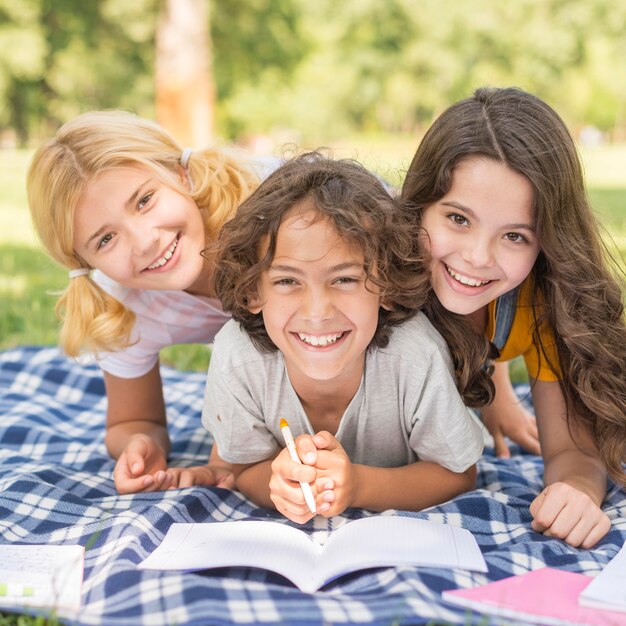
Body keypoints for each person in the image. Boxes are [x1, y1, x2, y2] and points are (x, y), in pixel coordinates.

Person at [200, 152, 488, 523]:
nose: (317, 312)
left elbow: (458, 474)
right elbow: (241, 470)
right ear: (253, 292)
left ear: (385, 284)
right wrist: (279, 485)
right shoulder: (237, 358)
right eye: (288, 281)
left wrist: (358, 486)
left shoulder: (416, 356)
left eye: (345, 279)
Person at [401, 86, 626, 548]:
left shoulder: (538, 302)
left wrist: (577, 490)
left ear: (548, 242)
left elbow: (572, 450)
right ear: (418, 204)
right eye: (458, 219)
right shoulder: (364, 270)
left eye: (516, 237)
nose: (477, 257)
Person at [27, 110, 275, 494]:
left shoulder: (269, 213)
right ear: (86, 262)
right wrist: (140, 445)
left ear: (180, 173)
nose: (145, 241)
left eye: (144, 201)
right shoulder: (126, 303)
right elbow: (132, 421)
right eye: (105, 240)